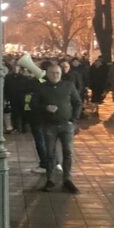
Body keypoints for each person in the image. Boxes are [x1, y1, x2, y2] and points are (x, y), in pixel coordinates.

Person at [34, 64, 82, 193]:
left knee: (68, 152)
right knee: (50, 154)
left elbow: (77, 102)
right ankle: (50, 180)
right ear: (47, 74)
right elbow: (34, 104)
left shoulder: (68, 86)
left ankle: (67, 180)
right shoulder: (41, 87)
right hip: (49, 125)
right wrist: (45, 108)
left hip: (66, 124)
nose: (55, 75)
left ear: (61, 74)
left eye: (57, 73)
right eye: (52, 73)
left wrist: (73, 119)